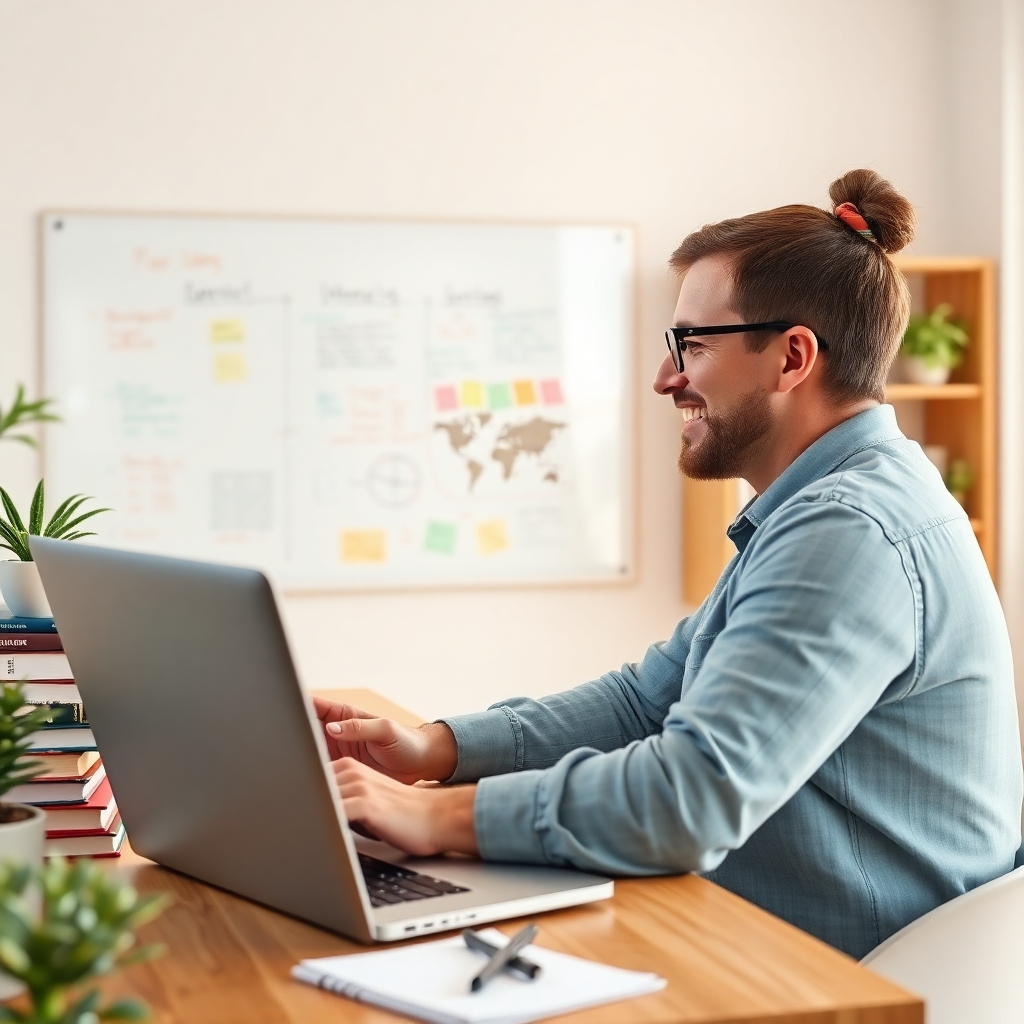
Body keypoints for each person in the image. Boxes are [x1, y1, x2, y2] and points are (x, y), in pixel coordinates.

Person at [315, 169, 1023, 959]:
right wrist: (433, 748)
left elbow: (693, 799)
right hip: (770, 940)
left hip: (847, 978)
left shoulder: (847, 529)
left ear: (792, 358)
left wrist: (438, 816)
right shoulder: (820, 503)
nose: (666, 377)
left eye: (692, 343)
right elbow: (647, 700)